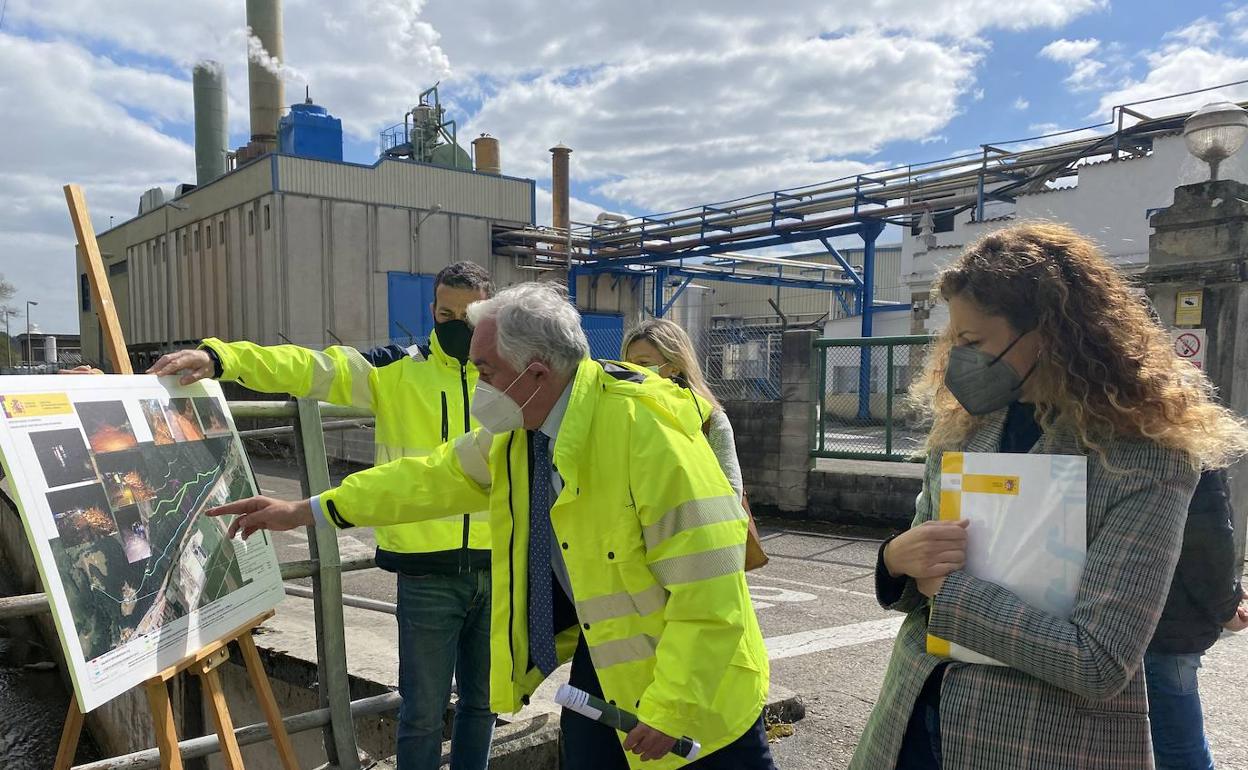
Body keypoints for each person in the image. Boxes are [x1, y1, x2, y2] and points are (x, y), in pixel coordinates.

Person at [208, 282, 776, 770]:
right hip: (611, 661)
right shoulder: (525, 430)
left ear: (534, 372)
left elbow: (712, 588)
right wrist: (307, 509)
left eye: (484, 371)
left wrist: (673, 704)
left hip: (701, 687)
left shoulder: (645, 432)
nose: (477, 385)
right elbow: (430, 477)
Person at [852, 222, 1248, 770]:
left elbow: (1100, 662)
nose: (958, 358)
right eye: (954, 342)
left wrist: (952, 591)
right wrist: (895, 561)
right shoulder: (967, 427)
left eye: (972, 342)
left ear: (1050, 333)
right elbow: (920, 587)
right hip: (911, 724)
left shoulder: (1145, 455)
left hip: (1039, 742)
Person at [149, 261, 498, 770]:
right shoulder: (395, 367)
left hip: (498, 564)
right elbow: (312, 367)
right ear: (432, 309)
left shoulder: (506, 373)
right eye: (446, 312)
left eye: (468, 317)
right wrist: (223, 358)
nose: (454, 326)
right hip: (425, 569)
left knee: (484, 706)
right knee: (422, 711)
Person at [1147, 468, 1248, 770]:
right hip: (1171, 629)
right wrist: (1227, 609)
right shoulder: (1187, 451)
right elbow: (1208, 545)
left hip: (1114, 620)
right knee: (1180, 750)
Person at [622, 319, 742, 498]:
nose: (633, 370)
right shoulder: (622, 413)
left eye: (643, 363)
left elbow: (732, 492)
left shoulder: (710, 420)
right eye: (628, 363)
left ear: (674, 367)